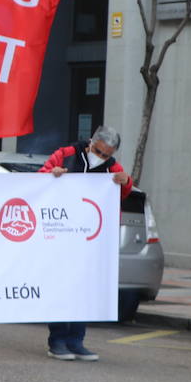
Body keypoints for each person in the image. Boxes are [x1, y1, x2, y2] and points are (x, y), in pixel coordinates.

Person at [40, 126, 134, 361]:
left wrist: (126, 182)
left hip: (91, 240)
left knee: (83, 290)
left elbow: (122, 193)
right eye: (98, 151)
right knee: (62, 287)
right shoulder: (66, 154)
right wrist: (53, 175)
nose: (101, 157)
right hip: (62, 236)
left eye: (106, 155)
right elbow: (40, 178)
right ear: (91, 142)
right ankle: (58, 340)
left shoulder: (113, 167)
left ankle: (76, 341)